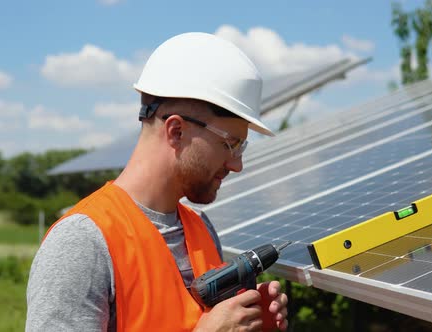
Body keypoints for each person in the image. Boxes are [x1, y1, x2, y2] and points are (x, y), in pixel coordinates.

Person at [26, 32, 288, 331]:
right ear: (176, 131)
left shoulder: (200, 227)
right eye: (230, 143)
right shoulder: (82, 242)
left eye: (241, 147)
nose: (236, 164)